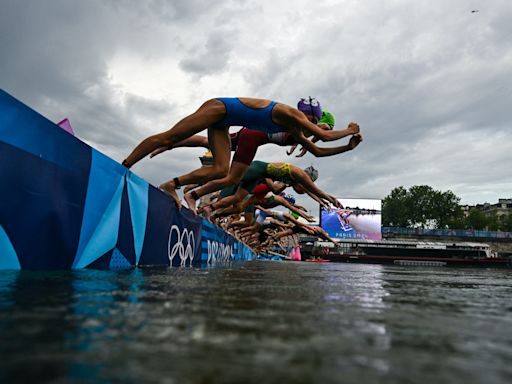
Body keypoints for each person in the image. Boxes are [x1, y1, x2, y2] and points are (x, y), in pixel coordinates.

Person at [122, 97, 361, 211]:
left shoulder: (295, 130)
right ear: (312, 117)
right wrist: (349, 130)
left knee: (219, 170)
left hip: (225, 123)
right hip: (219, 109)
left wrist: (347, 147)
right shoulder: (294, 117)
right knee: (167, 136)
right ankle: (124, 167)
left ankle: (170, 185)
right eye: (319, 126)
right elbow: (326, 137)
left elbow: (318, 151)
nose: (317, 132)